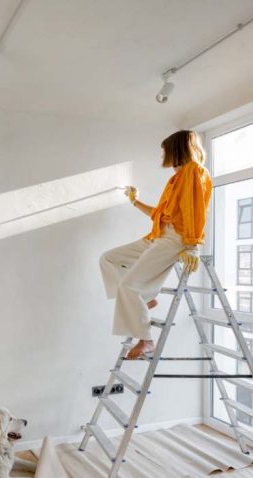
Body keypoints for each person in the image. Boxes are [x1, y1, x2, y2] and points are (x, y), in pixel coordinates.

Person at [100, 130, 212, 359]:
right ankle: (144, 300)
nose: (162, 154)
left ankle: (146, 341)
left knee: (128, 287)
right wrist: (135, 201)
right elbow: (159, 215)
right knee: (108, 258)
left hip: (176, 239)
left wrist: (193, 246)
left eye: (165, 150)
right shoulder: (177, 178)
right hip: (159, 234)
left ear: (177, 149)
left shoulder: (193, 171)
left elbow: (196, 212)